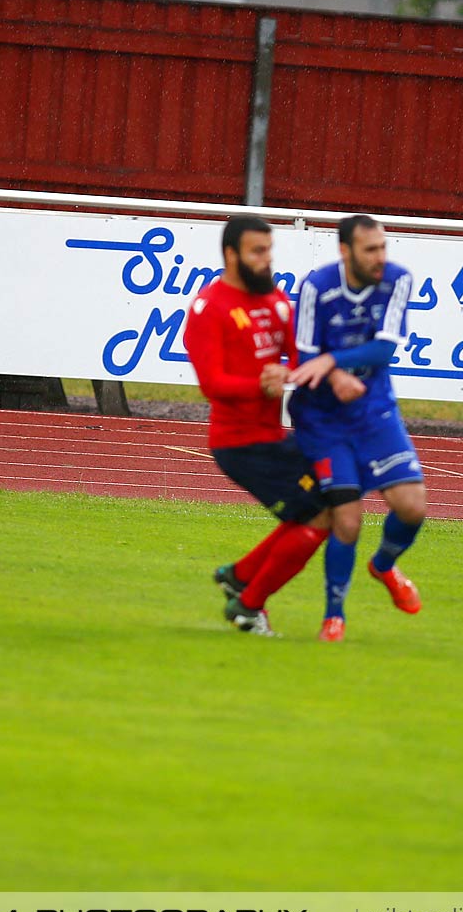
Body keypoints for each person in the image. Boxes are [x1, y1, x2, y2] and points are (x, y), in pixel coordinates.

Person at [182, 215, 334, 637]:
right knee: (324, 514)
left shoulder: (275, 301)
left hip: (273, 438)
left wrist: (315, 370)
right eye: (256, 251)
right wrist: (262, 384)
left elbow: (299, 355)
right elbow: (212, 385)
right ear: (231, 254)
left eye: (269, 251)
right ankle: (248, 606)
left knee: (331, 503)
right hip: (240, 444)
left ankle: (241, 576)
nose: (266, 260)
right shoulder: (209, 309)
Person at [288, 215, 429, 643]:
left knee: (412, 506)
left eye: (383, 247)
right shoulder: (317, 287)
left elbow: (385, 348)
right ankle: (335, 616)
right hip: (323, 419)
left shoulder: (398, 280)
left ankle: (383, 566)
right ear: (345, 251)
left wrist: (333, 363)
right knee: (347, 521)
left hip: (373, 411)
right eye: (370, 249)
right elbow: (305, 355)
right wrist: (332, 376)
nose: (380, 257)